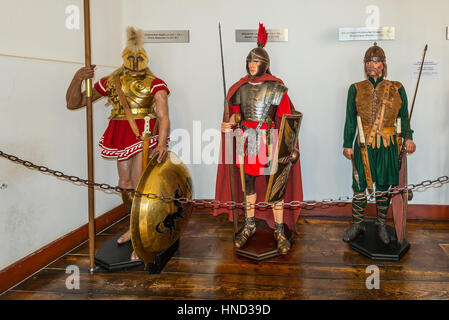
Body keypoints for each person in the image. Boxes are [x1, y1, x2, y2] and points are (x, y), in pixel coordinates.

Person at [66, 27, 170, 260]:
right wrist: (77, 79)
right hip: (120, 133)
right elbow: (75, 103)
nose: (134, 62)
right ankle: (135, 227)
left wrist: (161, 145)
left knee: (139, 183)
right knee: (124, 183)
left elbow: (163, 116)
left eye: (138, 58)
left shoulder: (155, 83)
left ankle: (143, 233)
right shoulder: (112, 82)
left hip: (143, 134)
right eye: (130, 58)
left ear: (145, 59)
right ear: (124, 58)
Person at [215, 23, 303, 255]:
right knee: (249, 185)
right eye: (249, 62)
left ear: (264, 64)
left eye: (256, 62)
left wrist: (291, 147)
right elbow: (234, 114)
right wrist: (228, 123)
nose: (252, 65)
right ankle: (250, 224)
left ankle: (279, 230)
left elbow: (286, 118)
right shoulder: (239, 89)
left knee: (276, 187)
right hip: (246, 142)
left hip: (270, 141)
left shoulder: (277, 88)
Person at [342, 42, 416, 244]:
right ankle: (358, 224)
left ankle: (381, 224)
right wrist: (347, 143)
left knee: (384, 185)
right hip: (363, 145)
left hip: (387, 145)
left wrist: (407, 138)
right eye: (368, 61)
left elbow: (404, 117)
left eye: (375, 60)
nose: (371, 64)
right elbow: (350, 119)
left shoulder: (397, 88)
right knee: (359, 185)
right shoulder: (355, 88)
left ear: (383, 64)